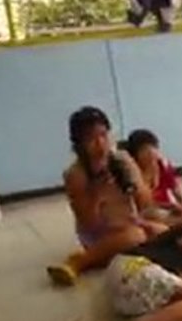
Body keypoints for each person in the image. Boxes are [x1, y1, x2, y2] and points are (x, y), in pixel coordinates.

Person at [47, 107, 165, 286]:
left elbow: (145, 205)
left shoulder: (122, 159)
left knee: (167, 227)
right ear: (79, 145)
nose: (100, 143)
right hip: (101, 235)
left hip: (131, 223)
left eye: (103, 135)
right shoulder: (76, 175)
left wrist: (143, 177)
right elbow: (88, 222)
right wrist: (98, 193)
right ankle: (81, 261)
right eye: (91, 139)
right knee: (136, 236)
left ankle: (127, 250)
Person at [121, 128, 182, 225]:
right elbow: (142, 204)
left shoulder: (163, 165)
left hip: (166, 210)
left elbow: (175, 190)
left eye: (153, 148)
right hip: (146, 214)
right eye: (144, 150)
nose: (151, 153)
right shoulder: (133, 172)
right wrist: (169, 206)